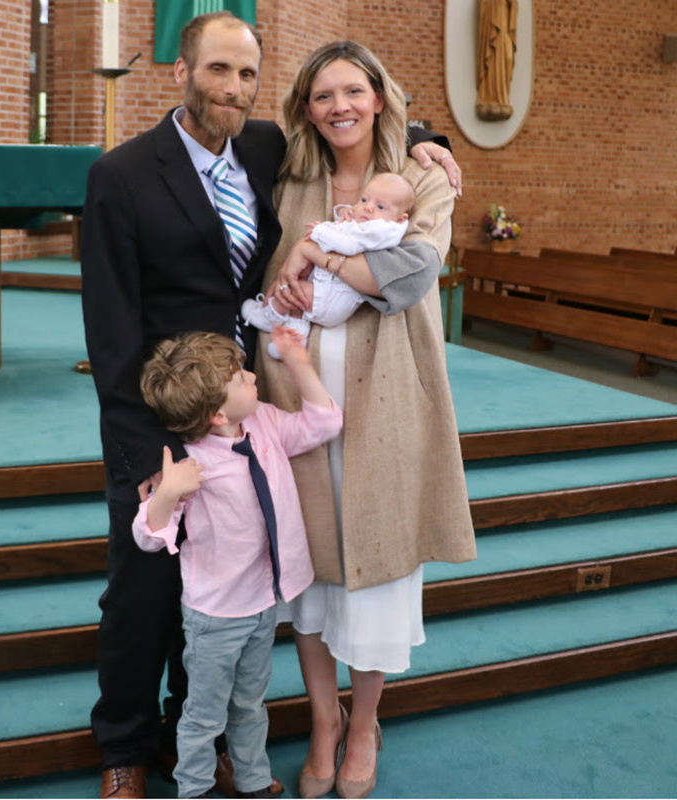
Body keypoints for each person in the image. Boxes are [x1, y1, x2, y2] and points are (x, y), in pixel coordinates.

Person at [80, 11, 461, 798]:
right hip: (165, 416)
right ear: (181, 72)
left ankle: (205, 734)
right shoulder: (121, 175)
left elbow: (352, 118)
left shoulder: (263, 149)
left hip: (254, 408)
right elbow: (112, 333)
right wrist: (145, 457)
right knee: (145, 590)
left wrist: (429, 139)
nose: (234, 88)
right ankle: (123, 745)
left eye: (248, 75)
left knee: (231, 585)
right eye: (218, 70)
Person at [255, 41, 477, 799]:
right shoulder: (289, 175)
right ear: (306, 108)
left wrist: (310, 255)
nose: (339, 106)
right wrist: (308, 258)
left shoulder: (421, 176)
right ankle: (323, 721)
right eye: (323, 96)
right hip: (297, 387)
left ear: (380, 96)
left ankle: (367, 720)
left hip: (390, 391)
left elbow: (413, 275)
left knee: (378, 562)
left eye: (354, 90)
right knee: (310, 565)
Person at [133, 328, 341, 798]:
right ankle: (196, 788)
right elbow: (148, 537)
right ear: (217, 413)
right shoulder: (193, 464)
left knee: (250, 704)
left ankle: (249, 781)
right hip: (215, 615)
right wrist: (167, 492)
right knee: (204, 714)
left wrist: (297, 361)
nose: (252, 376)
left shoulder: (263, 423)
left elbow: (324, 422)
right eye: (241, 377)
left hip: (262, 603)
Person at [239, 172, 415, 359]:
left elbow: (348, 244)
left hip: (335, 296)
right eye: (364, 199)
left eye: (380, 206)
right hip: (327, 286)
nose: (368, 208)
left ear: (400, 219)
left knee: (293, 289)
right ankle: (296, 334)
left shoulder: (381, 230)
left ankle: (270, 315)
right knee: (298, 286)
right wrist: (345, 213)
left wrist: (320, 232)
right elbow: (347, 226)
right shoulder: (376, 221)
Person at [476, 0, 519, 121]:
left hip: (504, 29)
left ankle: (503, 96)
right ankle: (489, 96)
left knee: (508, 58)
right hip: (493, 31)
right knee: (493, 60)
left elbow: (514, 6)